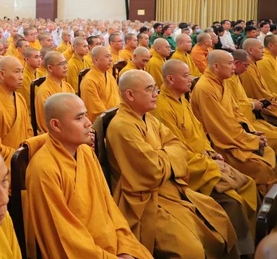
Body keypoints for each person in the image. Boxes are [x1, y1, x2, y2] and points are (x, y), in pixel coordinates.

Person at [108, 70, 238, 258]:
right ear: (130, 95)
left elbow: (178, 146)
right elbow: (153, 170)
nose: (156, 94)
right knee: (190, 250)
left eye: (155, 88)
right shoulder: (122, 127)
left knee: (219, 218)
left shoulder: (148, 118)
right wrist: (170, 155)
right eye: (150, 89)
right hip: (146, 201)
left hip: (171, 187)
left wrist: (162, 155)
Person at [27, 93, 152, 258]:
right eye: (79, 118)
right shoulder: (44, 170)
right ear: (56, 125)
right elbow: (64, 238)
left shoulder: (86, 153)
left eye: (86, 115)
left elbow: (109, 207)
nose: (88, 123)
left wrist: (125, 247)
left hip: (116, 247)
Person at [154, 60, 257, 256]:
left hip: (205, 158)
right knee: (233, 201)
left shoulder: (181, 99)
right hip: (191, 169)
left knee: (248, 183)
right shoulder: (162, 108)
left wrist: (210, 151)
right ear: (170, 79)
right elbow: (177, 150)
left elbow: (199, 132)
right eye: (186, 75)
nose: (191, 79)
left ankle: (253, 238)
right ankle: (240, 252)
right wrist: (207, 161)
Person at [191, 50, 277, 194]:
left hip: (235, 136)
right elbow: (220, 126)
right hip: (222, 143)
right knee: (261, 166)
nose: (233, 67)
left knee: (268, 151)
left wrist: (252, 133)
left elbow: (236, 111)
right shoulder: (205, 88)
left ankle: (272, 196)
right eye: (230, 63)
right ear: (216, 66)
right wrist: (251, 140)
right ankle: (266, 203)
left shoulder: (221, 82)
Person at [0, 56, 33, 168]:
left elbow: (28, 131)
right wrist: (19, 156)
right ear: (2, 74)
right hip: (4, 166)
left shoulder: (20, 98)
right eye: (17, 72)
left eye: (22, 72)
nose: (21, 77)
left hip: (23, 159)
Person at [240, 38, 277, 123]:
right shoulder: (247, 69)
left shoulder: (253, 65)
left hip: (268, 100)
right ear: (250, 50)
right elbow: (257, 93)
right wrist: (273, 99)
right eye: (260, 48)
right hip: (261, 108)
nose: (263, 51)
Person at [34, 51, 75, 134]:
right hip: (56, 135)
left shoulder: (68, 86)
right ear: (50, 68)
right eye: (61, 64)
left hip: (72, 130)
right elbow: (46, 124)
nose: (65, 66)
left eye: (65, 62)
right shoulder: (44, 92)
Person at [80, 46, 120, 122]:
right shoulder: (89, 81)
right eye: (107, 56)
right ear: (96, 60)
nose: (111, 59)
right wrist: (115, 118)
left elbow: (118, 97)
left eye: (110, 56)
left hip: (116, 116)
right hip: (103, 122)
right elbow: (96, 111)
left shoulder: (109, 76)